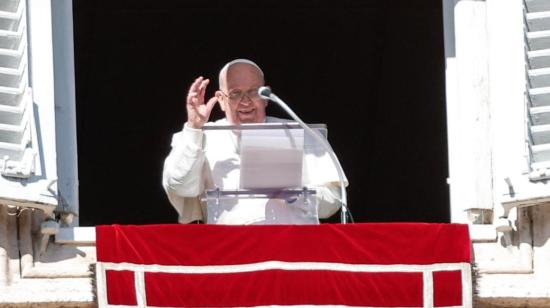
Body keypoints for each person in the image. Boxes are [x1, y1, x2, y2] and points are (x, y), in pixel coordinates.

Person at [162, 59, 346, 224]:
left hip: (291, 247)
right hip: (229, 249)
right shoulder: (201, 136)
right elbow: (181, 187)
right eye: (235, 94)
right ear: (221, 99)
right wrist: (194, 127)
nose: (245, 101)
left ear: (266, 96)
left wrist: (296, 193)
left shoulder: (300, 133)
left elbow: (333, 202)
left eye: (253, 92)